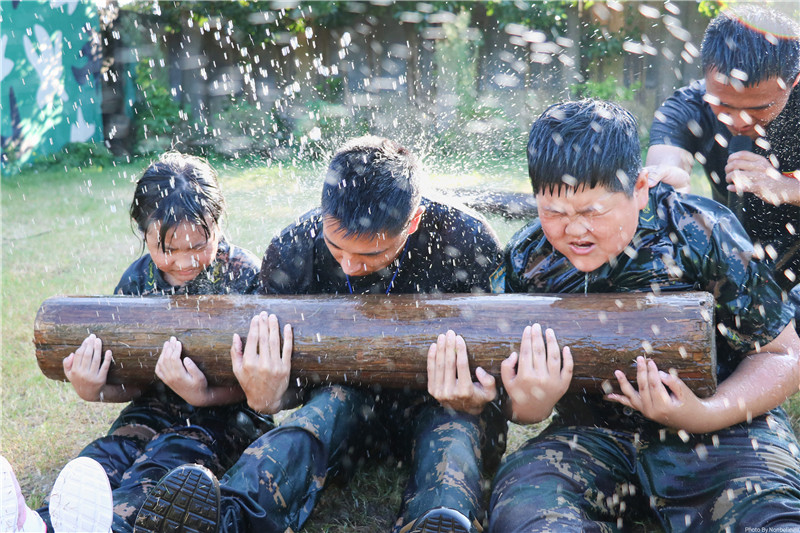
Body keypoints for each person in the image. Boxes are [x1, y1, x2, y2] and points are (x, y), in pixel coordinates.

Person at [451, 99, 799, 531]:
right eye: (554, 212)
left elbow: (782, 354)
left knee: (773, 520)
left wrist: (703, 413)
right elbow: (508, 387)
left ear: (639, 188)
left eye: (592, 212)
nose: (574, 231)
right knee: (526, 506)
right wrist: (528, 406)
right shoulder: (529, 258)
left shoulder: (697, 233)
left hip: (724, 432)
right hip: (594, 437)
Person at [135, 136, 507, 533]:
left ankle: (440, 520)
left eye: (368, 255)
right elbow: (292, 387)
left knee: (451, 440)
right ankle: (229, 516)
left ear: (411, 222)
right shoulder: (291, 251)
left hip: (443, 404)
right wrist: (272, 396)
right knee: (312, 421)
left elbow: (504, 364)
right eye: (335, 247)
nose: (347, 266)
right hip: (346, 403)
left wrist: (481, 398)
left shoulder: (467, 241)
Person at [31, 152, 273, 533]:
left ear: (219, 223)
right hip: (152, 410)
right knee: (102, 458)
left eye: (198, 244)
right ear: (143, 232)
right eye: (168, 249)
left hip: (227, 417)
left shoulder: (244, 278)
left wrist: (202, 396)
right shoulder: (137, 282)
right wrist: (95, 389)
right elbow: (133, 379)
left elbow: (261, 386)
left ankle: (119, 527)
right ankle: (40, 524)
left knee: (164, 462)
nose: (185, 261)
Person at [646, 4, 800, 324]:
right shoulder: (687, 108)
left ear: (794, 81)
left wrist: (786, 188)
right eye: (723, 105)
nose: (738, 121)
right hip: (735, 263)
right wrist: (665, 182)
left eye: (759, 108)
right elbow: (665, 160)